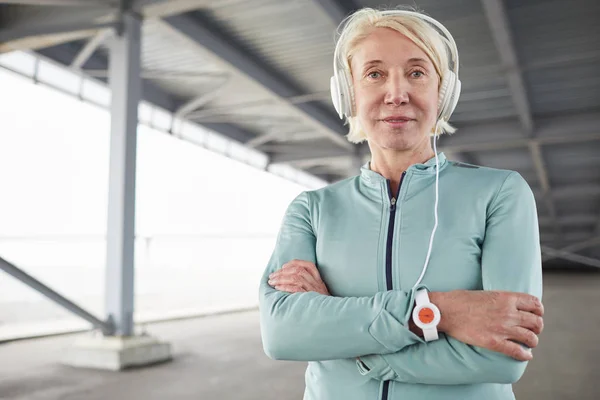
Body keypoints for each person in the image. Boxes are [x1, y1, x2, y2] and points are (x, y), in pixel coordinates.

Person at [259, 7, 543, 400]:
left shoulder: (500, 194)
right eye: (374, 74)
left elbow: (505, 357)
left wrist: (351, 343)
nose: (396, 94)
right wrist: (440, 311)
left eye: (416, 73)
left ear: (443, 93)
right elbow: (282, 334)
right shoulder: (312, 210)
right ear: (348, 93)